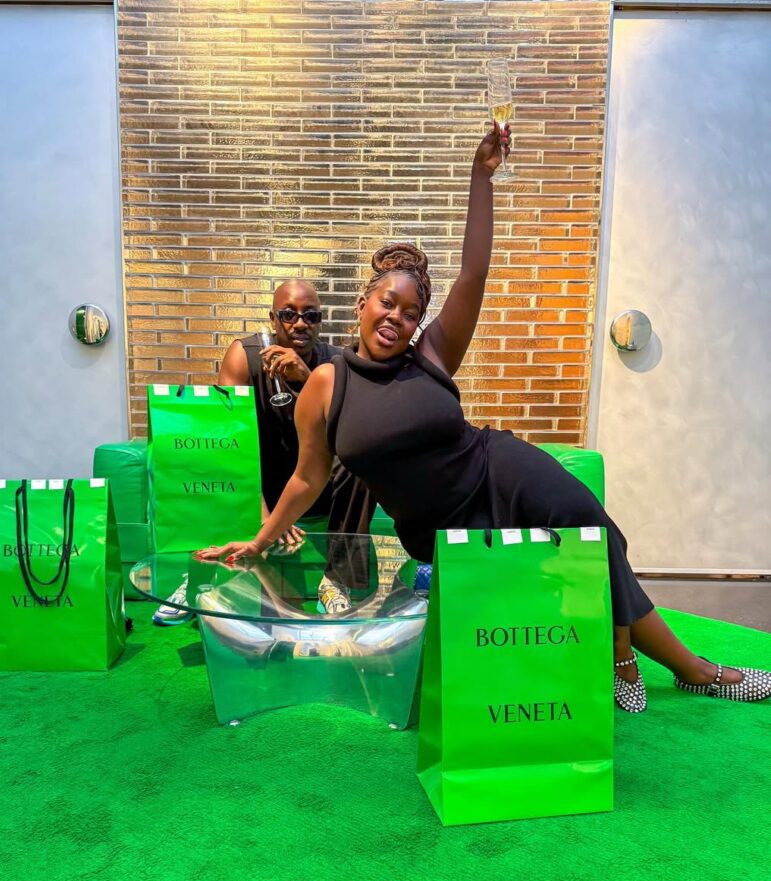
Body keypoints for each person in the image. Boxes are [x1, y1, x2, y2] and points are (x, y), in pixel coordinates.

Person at [197, 128, 770, 710]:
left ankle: (676, 666)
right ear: (362, 303)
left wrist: (481, 176)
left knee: (588, 527)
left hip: (500, 470)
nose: (396, 317)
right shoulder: (324, 384)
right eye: (387, 302)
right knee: (558, 566)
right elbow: (307, 477)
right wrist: (260, 539)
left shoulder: (431, 354)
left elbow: (474, 272)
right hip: (438, 525)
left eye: (411, 312)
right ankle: (636, 657)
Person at [217, 279, 374, 548]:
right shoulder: (244, 357)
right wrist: (265, 518)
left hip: (319, 492)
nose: (300, 324)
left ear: (319, 322)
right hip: (266, 490)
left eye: (310, 316)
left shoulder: (335, 363)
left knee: (361, 457)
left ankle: (345, 560)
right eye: (289, 315)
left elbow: (353, 431)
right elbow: (230, 443)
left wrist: (309, 379)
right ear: (273, 319)